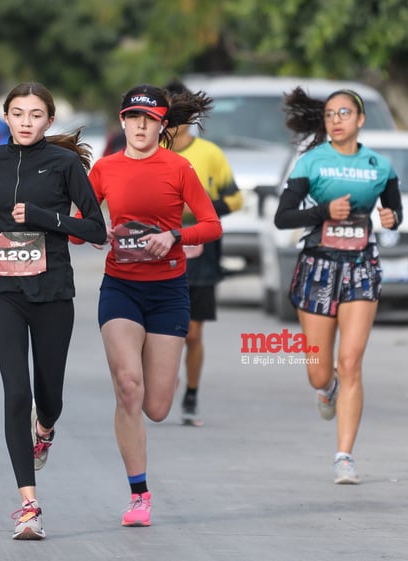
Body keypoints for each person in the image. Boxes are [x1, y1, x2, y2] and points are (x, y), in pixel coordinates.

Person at [0, 82, 106, 540]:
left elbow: (95, 227)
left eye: (35, 115)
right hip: (4, 290)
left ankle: (47, 426)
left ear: (49, 121)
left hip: (54, 290)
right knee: (16, 392)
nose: (25, 122)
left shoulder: (64, 164)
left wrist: (43, 216)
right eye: (17, 113)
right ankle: (29, 506)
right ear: (6, 117)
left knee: (49, 396)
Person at [73, 84, 222, 527]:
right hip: (121, 288)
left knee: (156, 406)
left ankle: (165, 369)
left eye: (149, 119)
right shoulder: (105, 169)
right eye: (133, 117)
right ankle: (139, 494)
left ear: (162, 125)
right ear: (122, 121)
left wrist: (174, 235)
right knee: (127, 387)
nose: (140, 126)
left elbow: (211, 225)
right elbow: (81, 225)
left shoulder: (179, 168)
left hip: (169, 291)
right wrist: (93, 233)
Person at [275, 87, 403, 484]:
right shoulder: (311, 162)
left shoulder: (379, 166)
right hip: (317, 265)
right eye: (330, 113)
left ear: (360, 120)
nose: (336, 119)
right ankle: (325, 388)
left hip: (362, 267)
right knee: (320, 373)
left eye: (345, 112)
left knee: (350, 362)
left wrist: (391, 219)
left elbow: (396, 212)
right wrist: (323, 212)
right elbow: (283, 217)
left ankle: (344, 456)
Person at [164, 80, 243, 427]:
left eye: (179, 112)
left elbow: (236, 198)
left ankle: (191, 394)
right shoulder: (148, 153)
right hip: (154, 249)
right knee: (158, 330)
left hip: (199, 250)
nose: (171, 119)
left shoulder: (209, 154)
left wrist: (203, 208)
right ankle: (161, 380)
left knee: (192, 333)